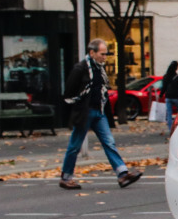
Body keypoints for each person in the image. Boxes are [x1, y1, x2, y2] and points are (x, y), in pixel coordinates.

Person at [60, 39, 144, 191]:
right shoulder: (80, 69)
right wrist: (76, 109)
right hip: (85, 112)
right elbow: (68, 94)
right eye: (102, 54)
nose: (105, 57)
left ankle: (122, 173)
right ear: (92, 53)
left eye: (106, 54)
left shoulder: (99, 69)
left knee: (109, 142)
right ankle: (66, 177)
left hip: (99, 111)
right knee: (75, 145)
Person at [159, 60, 178, 134]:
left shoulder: (166, 76)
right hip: (176, 97)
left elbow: (164, 87)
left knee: (169, 113)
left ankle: (171, 129)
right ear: (176, 68)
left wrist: (161, 95)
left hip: (168, 97)